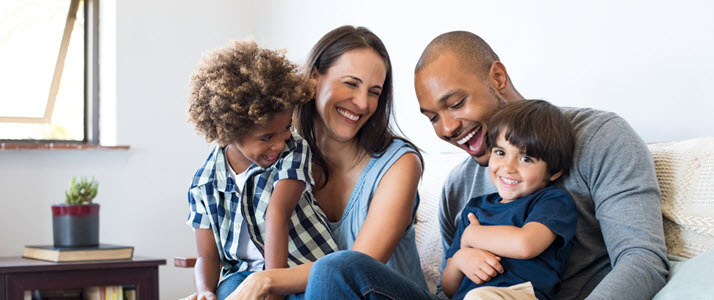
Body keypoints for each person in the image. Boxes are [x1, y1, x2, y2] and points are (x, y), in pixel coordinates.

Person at [308, 31, 670, 300]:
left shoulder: (600, 138)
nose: (448, 128)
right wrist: (460, 260)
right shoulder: (459, 186)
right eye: (433, 116)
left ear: (497, 78)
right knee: (336, 269)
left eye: (457, 103)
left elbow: (642, 259)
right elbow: (450, 286)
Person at [227, 26, 428, 299]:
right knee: (235, 282)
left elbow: (356, 265)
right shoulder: (280, 154)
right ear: (314, 78)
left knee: (334, 268)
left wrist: (269, 278)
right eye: (351, 83)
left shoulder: (400, 163)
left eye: (374, 92)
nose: (362, 102)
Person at [184, 41, 339, 300]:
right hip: (242, 276)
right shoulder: (204, 184)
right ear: (230, 131)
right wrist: (204, 292)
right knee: (227, 293)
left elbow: (277, 214)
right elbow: (207, 256)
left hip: (300, 268)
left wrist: (273, 288)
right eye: (266, 137)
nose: (280, 143)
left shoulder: (294, 150)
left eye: (286, 127)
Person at [442, 99, 577, 300]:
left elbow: (525, 245)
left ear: (554, 171)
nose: (508, 167)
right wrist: (461, 259)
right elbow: (449, 288)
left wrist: (471, 237)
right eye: (500, 152)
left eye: (525, 159)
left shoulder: (552, 201)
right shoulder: (475, 209)